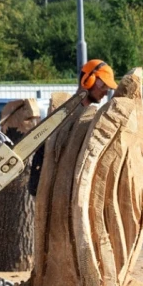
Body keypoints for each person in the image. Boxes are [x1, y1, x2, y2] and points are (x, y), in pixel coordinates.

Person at [28, 59, 118, 196]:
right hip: (55, 187)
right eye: (103, 86)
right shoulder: (65, 111)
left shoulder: (88, 114)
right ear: (89, 80)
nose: (106, 92)